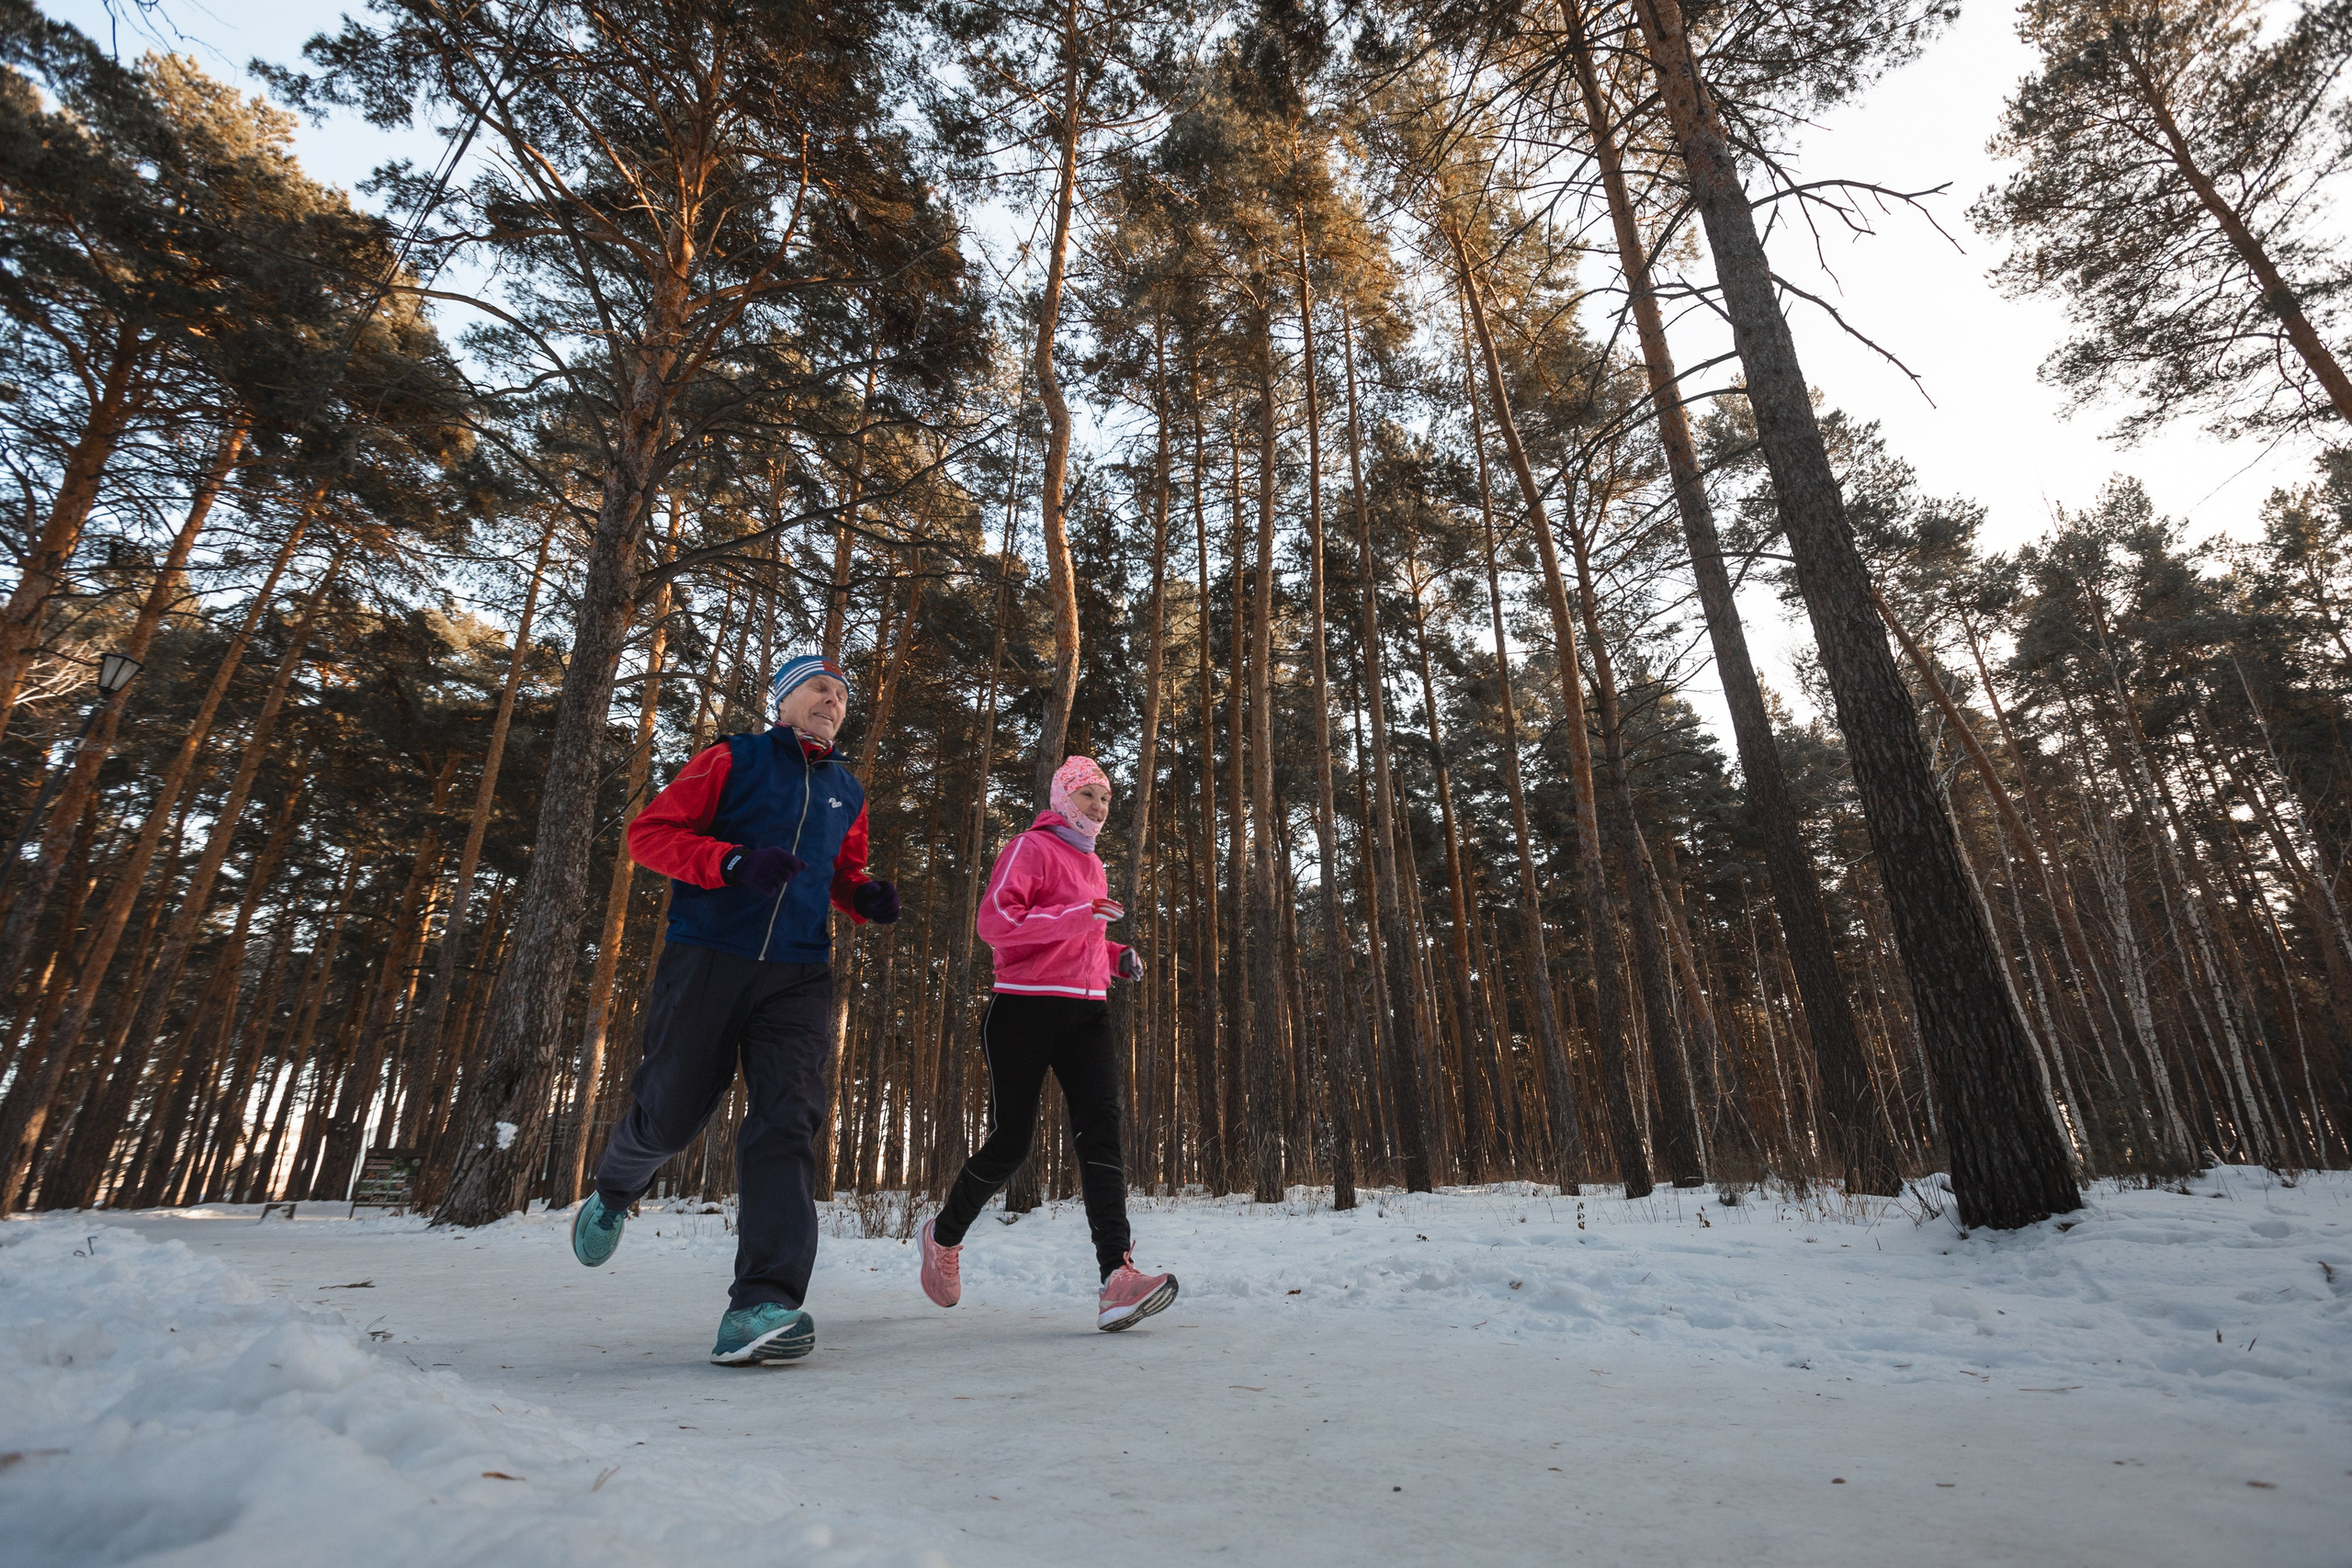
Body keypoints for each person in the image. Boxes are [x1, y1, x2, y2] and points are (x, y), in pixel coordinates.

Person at [569, 653, 899, 1365]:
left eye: (842, 695)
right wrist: (729, 864)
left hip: (800, 971)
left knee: (788, 1119)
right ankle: (618, 1185)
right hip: (711, 954)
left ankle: (761, 1302)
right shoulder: (731, 758)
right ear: (782, 700)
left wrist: (862, 896)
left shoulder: (847, 786)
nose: (833, 701)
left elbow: (844, 871)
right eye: (819, 688)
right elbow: (650, 835)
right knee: (674, 1111)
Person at [916, 755, 1178, 1331]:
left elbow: (1077, 940)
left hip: (1087, 1012)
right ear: (1062, 797)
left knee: (1102, 1135)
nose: (1100, 807)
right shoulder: (1027, 849)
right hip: (1022, 1010)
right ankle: (943, 1234)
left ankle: (1117, 1277)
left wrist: (1114, 957)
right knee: (1012, 1144)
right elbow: (996, 925)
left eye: (1107, 798)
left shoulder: (1095, 865)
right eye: (1088, 795)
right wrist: (1078, 916)